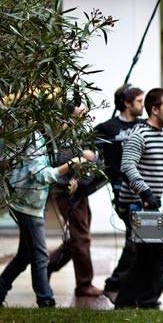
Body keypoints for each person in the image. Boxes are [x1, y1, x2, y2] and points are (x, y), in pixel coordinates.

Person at [114, 87, 163, 308]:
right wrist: (146, 192)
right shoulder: (139, 135)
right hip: (137, 205)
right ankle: (146, 300)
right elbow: (127, 166)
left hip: (147, 205)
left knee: (145, 256)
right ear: (154, 109)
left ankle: (127, 300)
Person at [0, 132, 85, 307]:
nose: (66, 125)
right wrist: (71, 165)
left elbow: (46, 167)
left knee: (24, 256)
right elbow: (41, 175)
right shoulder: (32, 137)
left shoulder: (41, 135)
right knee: (40, 256)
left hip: (29, 202)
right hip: (27, 205)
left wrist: (70, 178)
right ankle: (45, 299)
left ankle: (1, 289)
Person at [46, 104, 104, 297]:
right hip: (68, 194)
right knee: (80, 239)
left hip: (79, 194)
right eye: (80, 107)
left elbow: (91, 159)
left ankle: (47, 266)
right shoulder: (60, 134)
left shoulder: (75, 132)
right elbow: (66, 163)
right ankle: (84, 284)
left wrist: (91, 158)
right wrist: (85, 158)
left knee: (77, 238)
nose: (85, 110)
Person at [95, 84, 144, 301]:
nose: (143, 106)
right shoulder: (107, 128)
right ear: (127, 103)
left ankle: (129, 288)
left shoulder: (145, 126)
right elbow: (86, 146)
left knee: (141, 241)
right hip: (122, 192)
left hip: (143, 191)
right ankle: (115, 285)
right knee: (136, 240)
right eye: (140, 102)